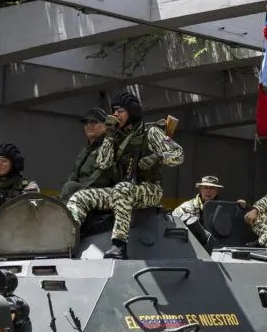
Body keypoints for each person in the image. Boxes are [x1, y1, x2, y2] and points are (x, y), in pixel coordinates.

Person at [66, 91, 184, 259]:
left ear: (132, 112)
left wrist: (157, 157)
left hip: (150, 189)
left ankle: (119, 245)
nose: (115, 114)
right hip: (123, 189)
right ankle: (68, 240)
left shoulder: (150, 132)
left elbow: (178, 155)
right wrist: (108, 136)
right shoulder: (115, 136)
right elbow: (103, 164)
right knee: (80, 197)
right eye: (113, 110)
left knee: (122, 189)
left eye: (120, 110)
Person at [59, 107, 121, 203]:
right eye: (86, 123)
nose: (89, 125)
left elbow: (101, 177)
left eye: (94, 122)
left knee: (70, 187)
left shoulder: (107, 147)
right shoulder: (85, 150)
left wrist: (79, 191)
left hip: (98, 191)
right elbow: (74, 175)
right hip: (80, 191)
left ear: (105, 126)